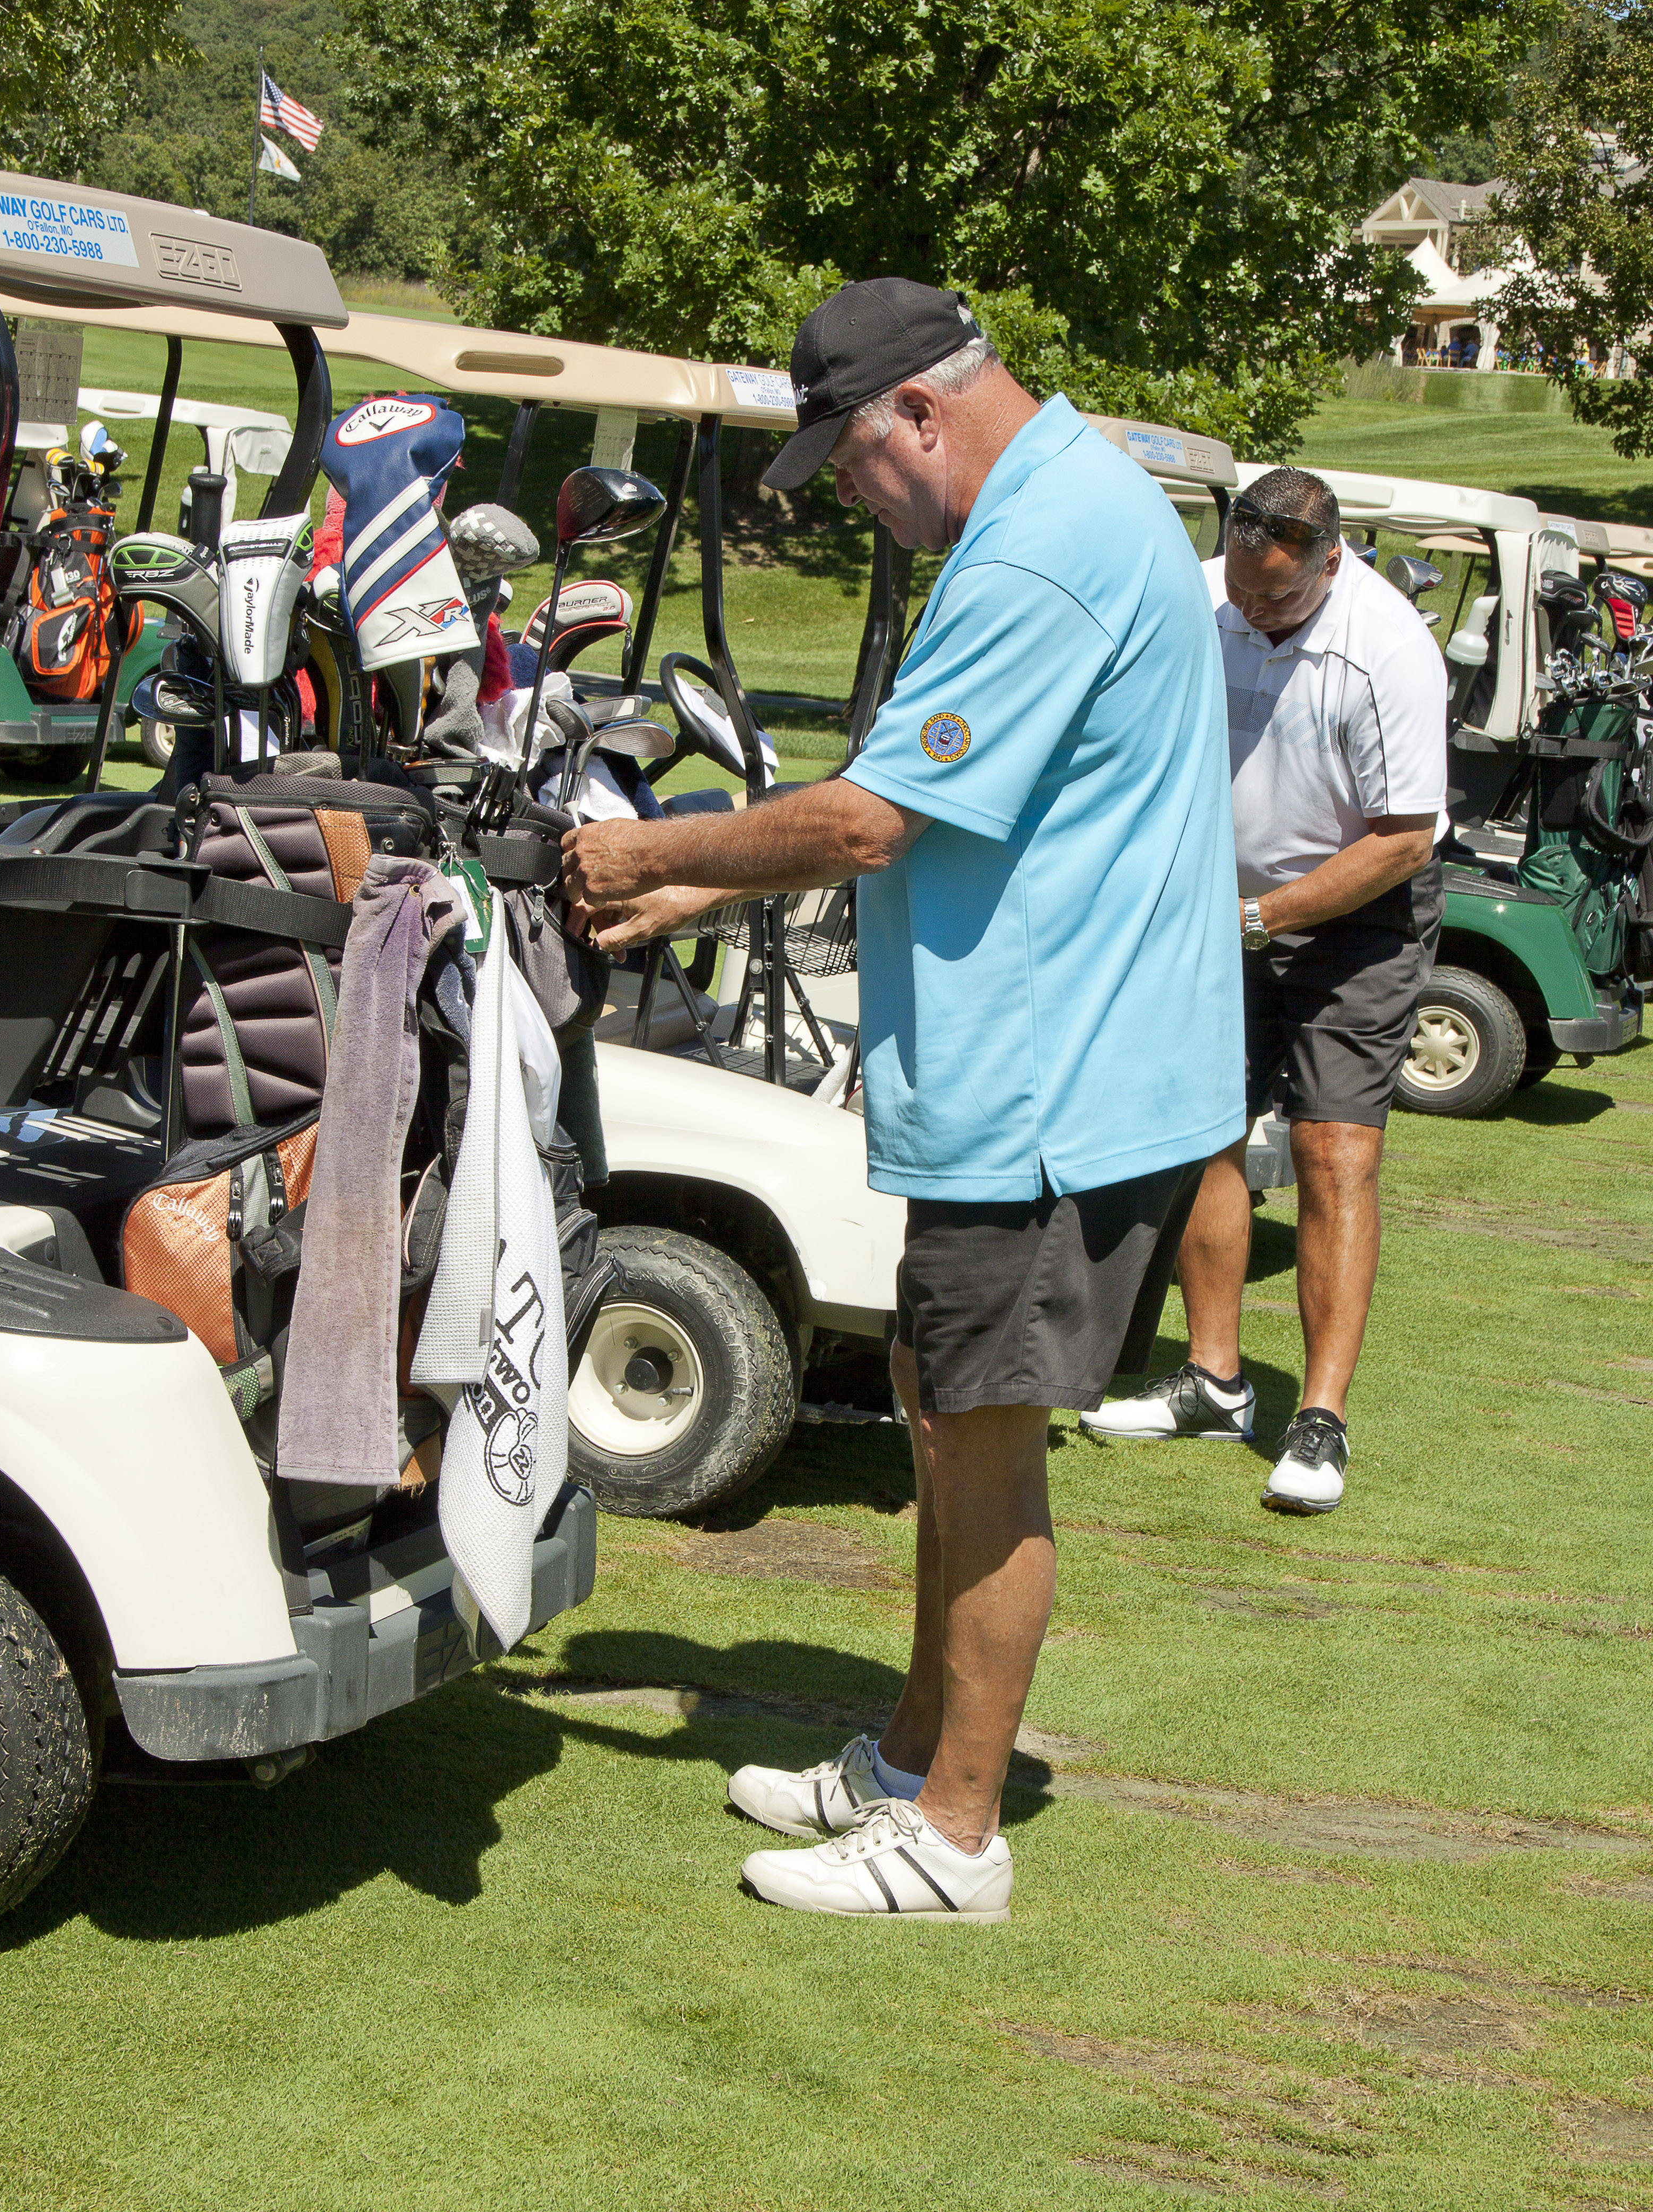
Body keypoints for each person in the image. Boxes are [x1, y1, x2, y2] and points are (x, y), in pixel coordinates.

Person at [562, 277, 1243, 1922]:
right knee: (947, 1424)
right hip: (1043, 1072)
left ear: (920, 417)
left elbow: (874, 822)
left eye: (851, 467)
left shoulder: (1034, 550)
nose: (853, 503)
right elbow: (941, 811)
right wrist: (699, 898)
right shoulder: (1072, 496)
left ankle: (952, 1840)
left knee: (986, 1448)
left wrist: (648, 852)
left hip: (1051, 1090)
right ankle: (910, 1760)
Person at [1083, 468, 1446, 1515]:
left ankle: (1320, 1421)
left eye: (1277, 600)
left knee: (1337, 1149)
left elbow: (1403, 839)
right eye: (1244, 588)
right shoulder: (1200, 598)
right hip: (1214, 902)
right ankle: (1214, 1380)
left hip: (1357, 911)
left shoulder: (1389, 650)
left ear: (1332, 562)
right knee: (1207, 1131)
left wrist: (1257, 921)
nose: (1254, 609)